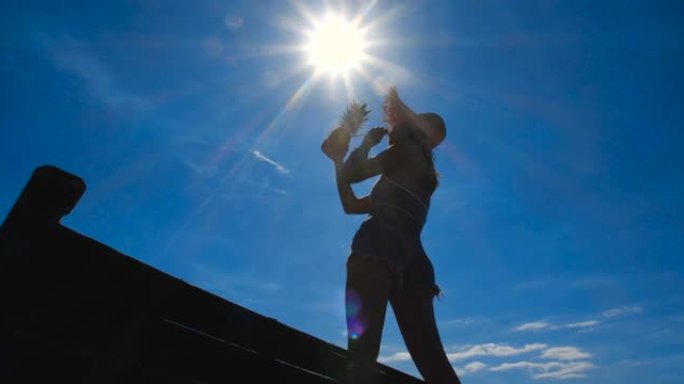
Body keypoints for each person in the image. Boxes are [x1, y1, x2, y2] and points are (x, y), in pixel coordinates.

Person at [321, 88, 461, 384]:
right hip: (415, 263)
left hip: (377, 248)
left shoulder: (404, 153)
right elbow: (352, 206)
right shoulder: (418, 174)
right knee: (435, 365)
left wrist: (363, 146)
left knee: (362, 353)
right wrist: (337, 161)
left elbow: (352, 176)